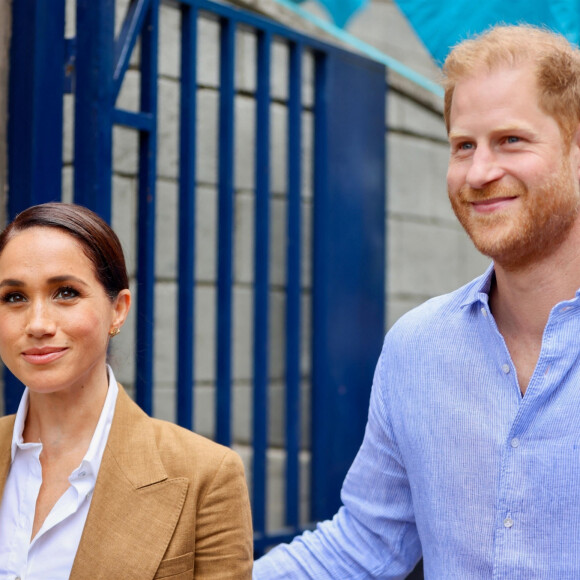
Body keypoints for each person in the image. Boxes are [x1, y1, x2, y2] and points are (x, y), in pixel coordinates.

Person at [253, 24, 580, 579]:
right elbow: (364, 545)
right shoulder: (417, 346)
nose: (479, 173)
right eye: (463, 146)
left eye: (511, 140)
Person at [0, 203, 253, 579]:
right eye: (14, 297)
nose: (38, 324)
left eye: (66, 292)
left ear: (118, 309)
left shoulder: (206, 475)